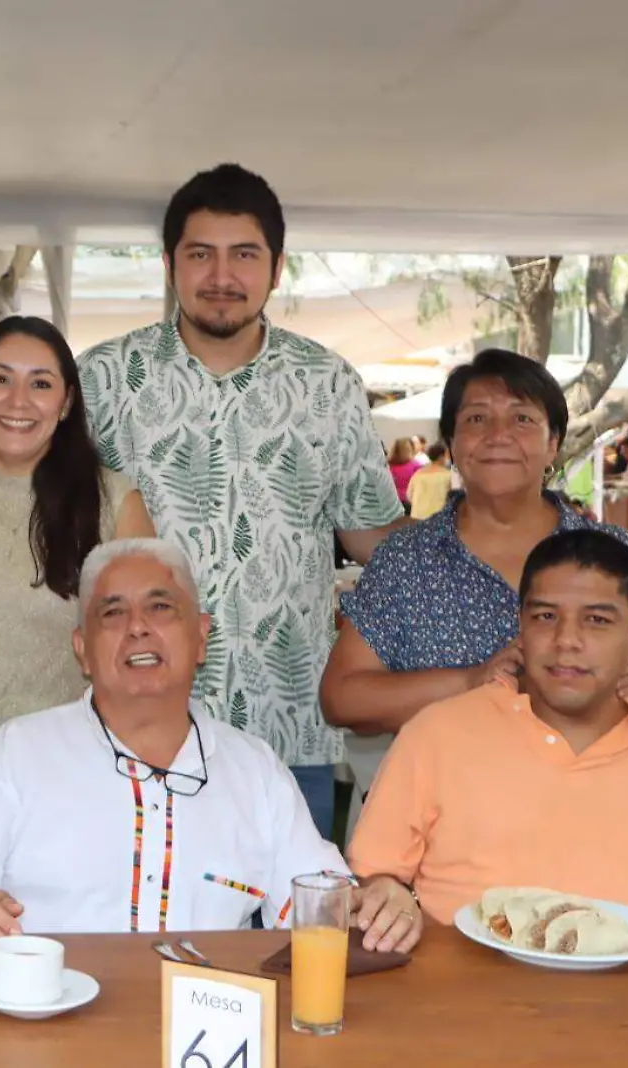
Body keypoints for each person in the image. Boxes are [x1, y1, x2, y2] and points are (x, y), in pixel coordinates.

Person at [0, 538, 421, 958]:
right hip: (50, 1032)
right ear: (83, 650)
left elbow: (322, 907)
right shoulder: (20, 752)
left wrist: (381, 901)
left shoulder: (253, 770)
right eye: (112, 613)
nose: (137, 627)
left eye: (161, 608)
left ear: (202, 636)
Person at [78, 164, 406, 837]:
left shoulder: (328, 384)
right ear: (170, 264)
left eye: (244, 255)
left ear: (277, 268)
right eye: (201, 254)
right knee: (135, 936)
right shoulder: (104, 381)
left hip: (287, 736)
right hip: (133, 732)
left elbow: (374, 539)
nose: (221, 275)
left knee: (286, 938)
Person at [348, 529, 628, 924]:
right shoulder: (437, 736)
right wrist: (386, 896)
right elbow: (375, 877)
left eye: (597, 620)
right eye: (546, 616)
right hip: (466, 997)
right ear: (521, 626)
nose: (567, 640)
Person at [324, 349, 628, 740]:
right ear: (451, 443)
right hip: (451, 793)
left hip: (593, 791)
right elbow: (341, 699)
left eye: (522, 419)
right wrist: (473, 681)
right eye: (477, 418)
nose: (498, 435)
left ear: (553, 443)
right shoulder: (406, 559)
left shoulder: (611, 553)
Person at [0, 316, 153, 805]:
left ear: (66, 402)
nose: (18, 401)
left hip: (73, 755)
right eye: (0, 379)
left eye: (41, 384)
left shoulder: (114, 501)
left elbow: (143, 647)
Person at [405, 442, 453, 520]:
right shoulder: (448, 476)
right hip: (438, 519)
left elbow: (409, 496)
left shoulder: (418, 474)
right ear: (441, 457)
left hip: (417, 517)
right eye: (447, 455)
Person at [387, 438, 424, 504]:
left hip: (392, 501)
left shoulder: (388, 466)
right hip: (411, 500)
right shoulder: (416, 465)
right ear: (410, 449)